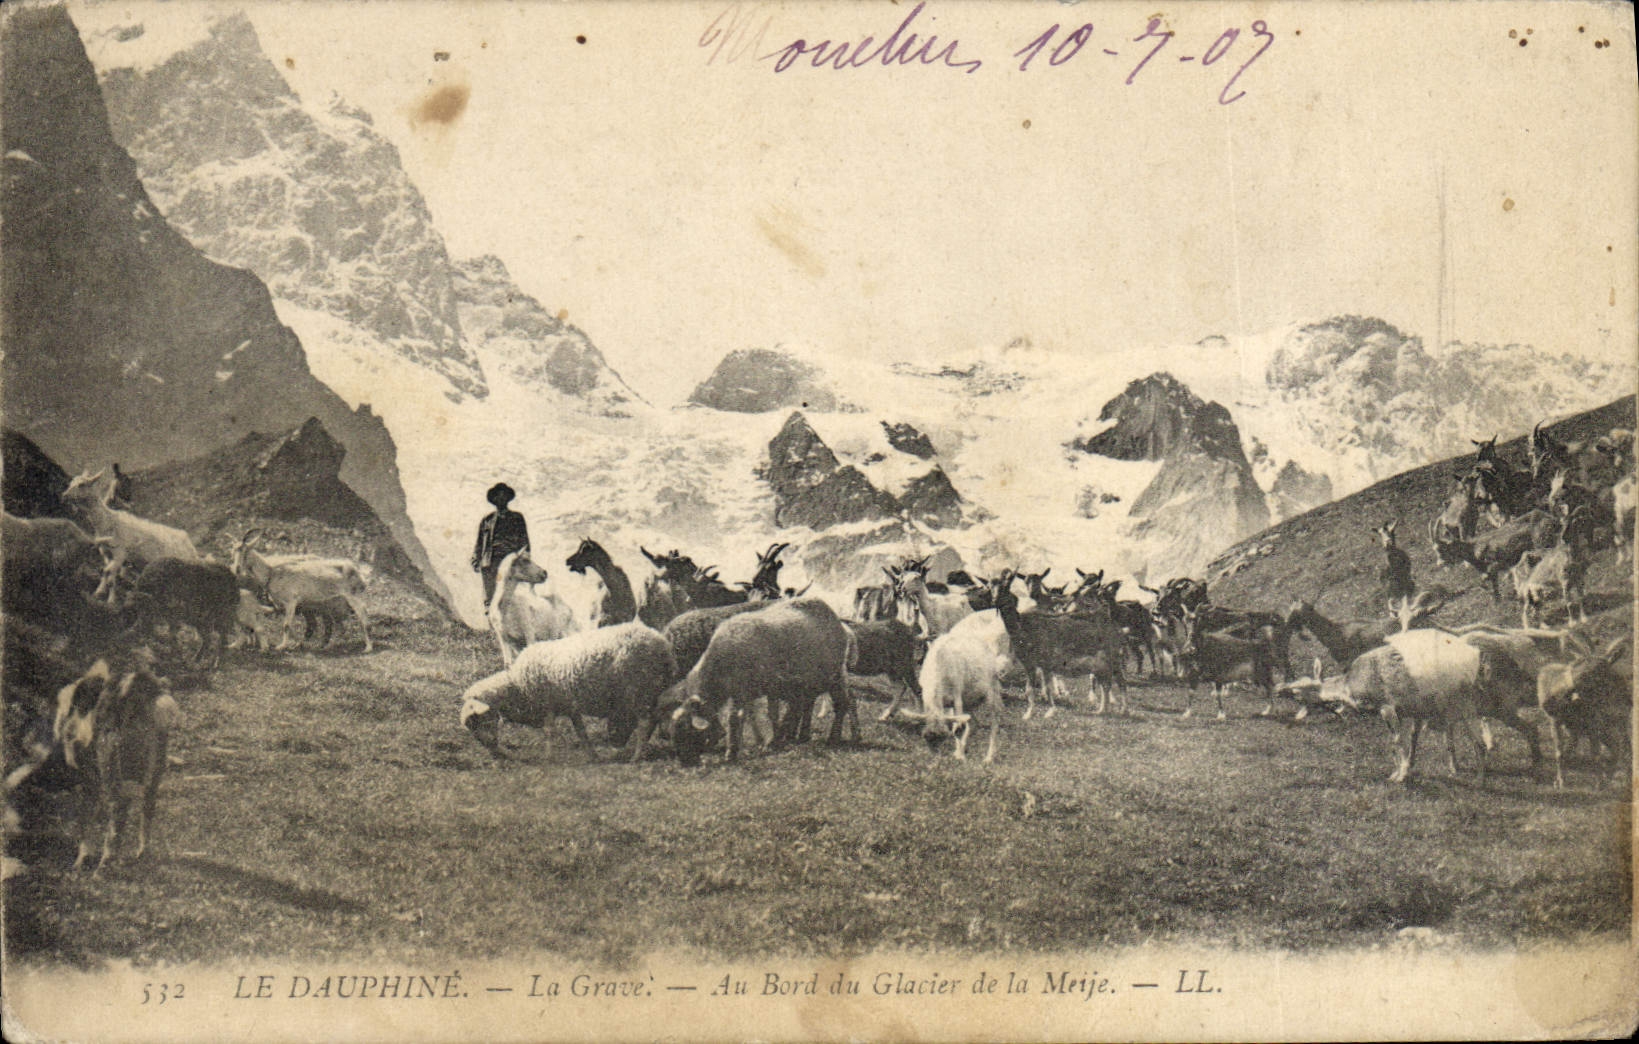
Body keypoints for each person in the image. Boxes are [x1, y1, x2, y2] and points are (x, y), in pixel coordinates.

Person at [472, 482, 530, 608]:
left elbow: (525, 541)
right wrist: (476, 559)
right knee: (490, 598)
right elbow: (479, 543)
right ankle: (492, 624)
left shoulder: (517, 517)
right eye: (498, 495)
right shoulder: (487, 520)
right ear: (494, 499)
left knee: (510, 596)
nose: (501, 498)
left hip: (509, 560)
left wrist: (525, 557)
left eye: (504, 495)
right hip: (489, 562)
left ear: (508, 498)